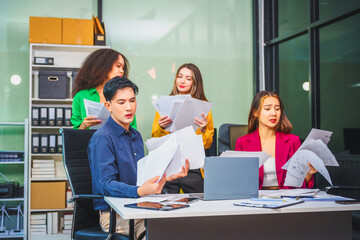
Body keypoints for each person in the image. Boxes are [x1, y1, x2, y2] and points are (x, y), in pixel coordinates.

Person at [88, 76, 189, 239]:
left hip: (141, 207)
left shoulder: (135, 135)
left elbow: (142, 176)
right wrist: (140, 191)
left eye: (132, 101)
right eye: (121, 102)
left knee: (182, 227)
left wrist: (168, 176)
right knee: (157, 234)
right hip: (116, 214)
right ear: (108, 106)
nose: (129, 107)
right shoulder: (102, 138)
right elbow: (105, 185)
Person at [151, 63, 214, 193]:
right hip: (169, 166)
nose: (182, 81)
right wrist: (162, 127)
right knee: (167, 207)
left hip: (192, 166)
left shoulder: (203, 108)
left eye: (188, 78)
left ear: (195, 83)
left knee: (197, 206)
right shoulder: (164, 105)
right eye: (180, 76)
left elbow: (207, 145)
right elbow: (155, 140)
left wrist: (203, 130)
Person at [235, 91, 316, 190]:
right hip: (255, 199)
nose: (273, 113)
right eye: (267, 109)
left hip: (286, 199)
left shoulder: (293, 141)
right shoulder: (243, 143)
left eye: (277, 109)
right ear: (255, 112)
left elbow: (300, 185)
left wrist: (309, 174)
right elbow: (239, 181)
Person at [71, 48, 137, 129]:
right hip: (90, 141)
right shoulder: (81, 96)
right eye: (118, 66)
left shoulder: (125, 95)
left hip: (118, 141)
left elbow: (133, 130)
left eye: (123, 68)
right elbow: (75, 133)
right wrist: (84, 125)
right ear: (103, 66)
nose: (122, 71)